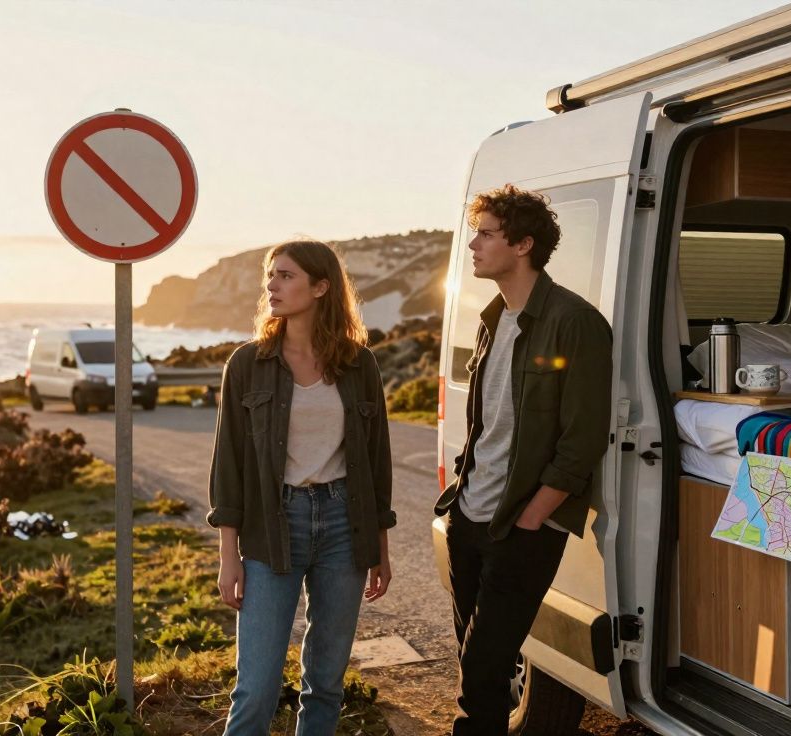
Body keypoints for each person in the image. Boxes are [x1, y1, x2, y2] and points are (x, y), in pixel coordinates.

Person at [434, 185, 613, 734]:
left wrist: (534, 517)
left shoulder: (575, 322)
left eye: (486, 234)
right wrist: (459, 503)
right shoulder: (492, 319)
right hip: (469, 516)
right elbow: (486, 425)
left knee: (483, 672)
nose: (473, 245)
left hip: (521, 527)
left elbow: (583, 439)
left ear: (523, 245)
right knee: (475, 661)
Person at [207, 240, 395, 735]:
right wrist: (229, 556)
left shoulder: (359, 364)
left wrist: (380, 547)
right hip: (273, 528)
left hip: (344, 526)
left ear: (321, 287)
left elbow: (376, 461)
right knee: (256, 688)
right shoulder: (247, 364)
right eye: (270, 275)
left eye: (285, 275)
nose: (271, 284)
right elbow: (229, 464)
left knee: (326, 684)